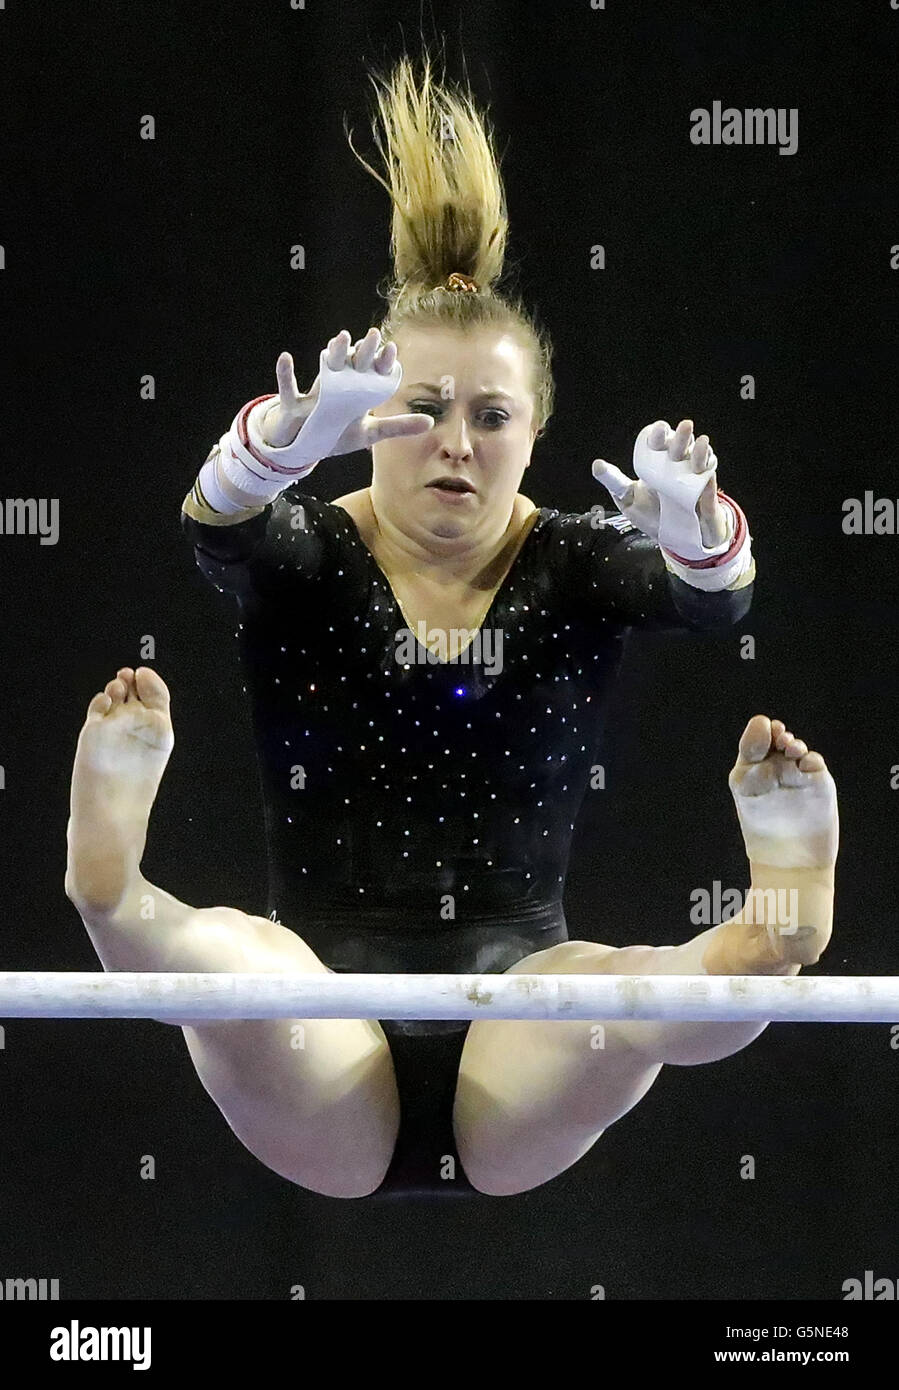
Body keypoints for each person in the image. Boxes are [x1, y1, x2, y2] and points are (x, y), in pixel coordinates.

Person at [64, 56, 838, 1200]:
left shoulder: (574, 559)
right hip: (317, 1022)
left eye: (490, 416)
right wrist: (281, 435)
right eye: (420, 410)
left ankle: (774, 925)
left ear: (536, 430)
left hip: (518, 1031)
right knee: (227, 963)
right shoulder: (314, 554)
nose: (455, 444)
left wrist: (693, 517)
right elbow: (216, 526)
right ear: (364, 417)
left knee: (621, 991)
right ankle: (111, 889)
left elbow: (711, 597)